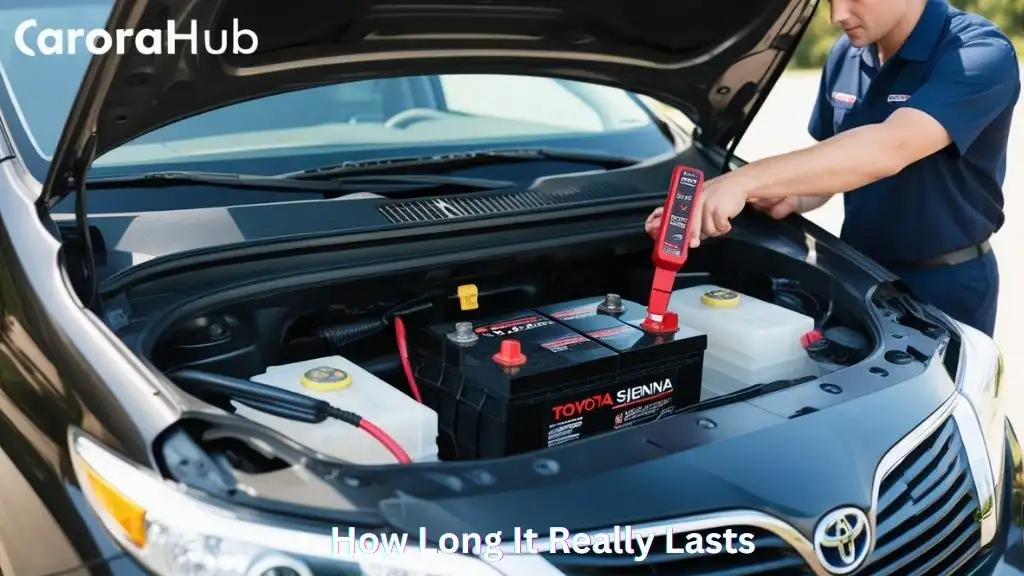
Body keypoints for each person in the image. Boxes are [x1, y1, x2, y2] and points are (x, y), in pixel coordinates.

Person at [644, 0, 1019, 337]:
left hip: (947, 283)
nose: (837, 14)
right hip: (857, 271)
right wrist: (791, 194)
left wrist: (744, 180)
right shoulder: (846, 54)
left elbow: (889, 148)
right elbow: (835, 163)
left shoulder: (977, 53)